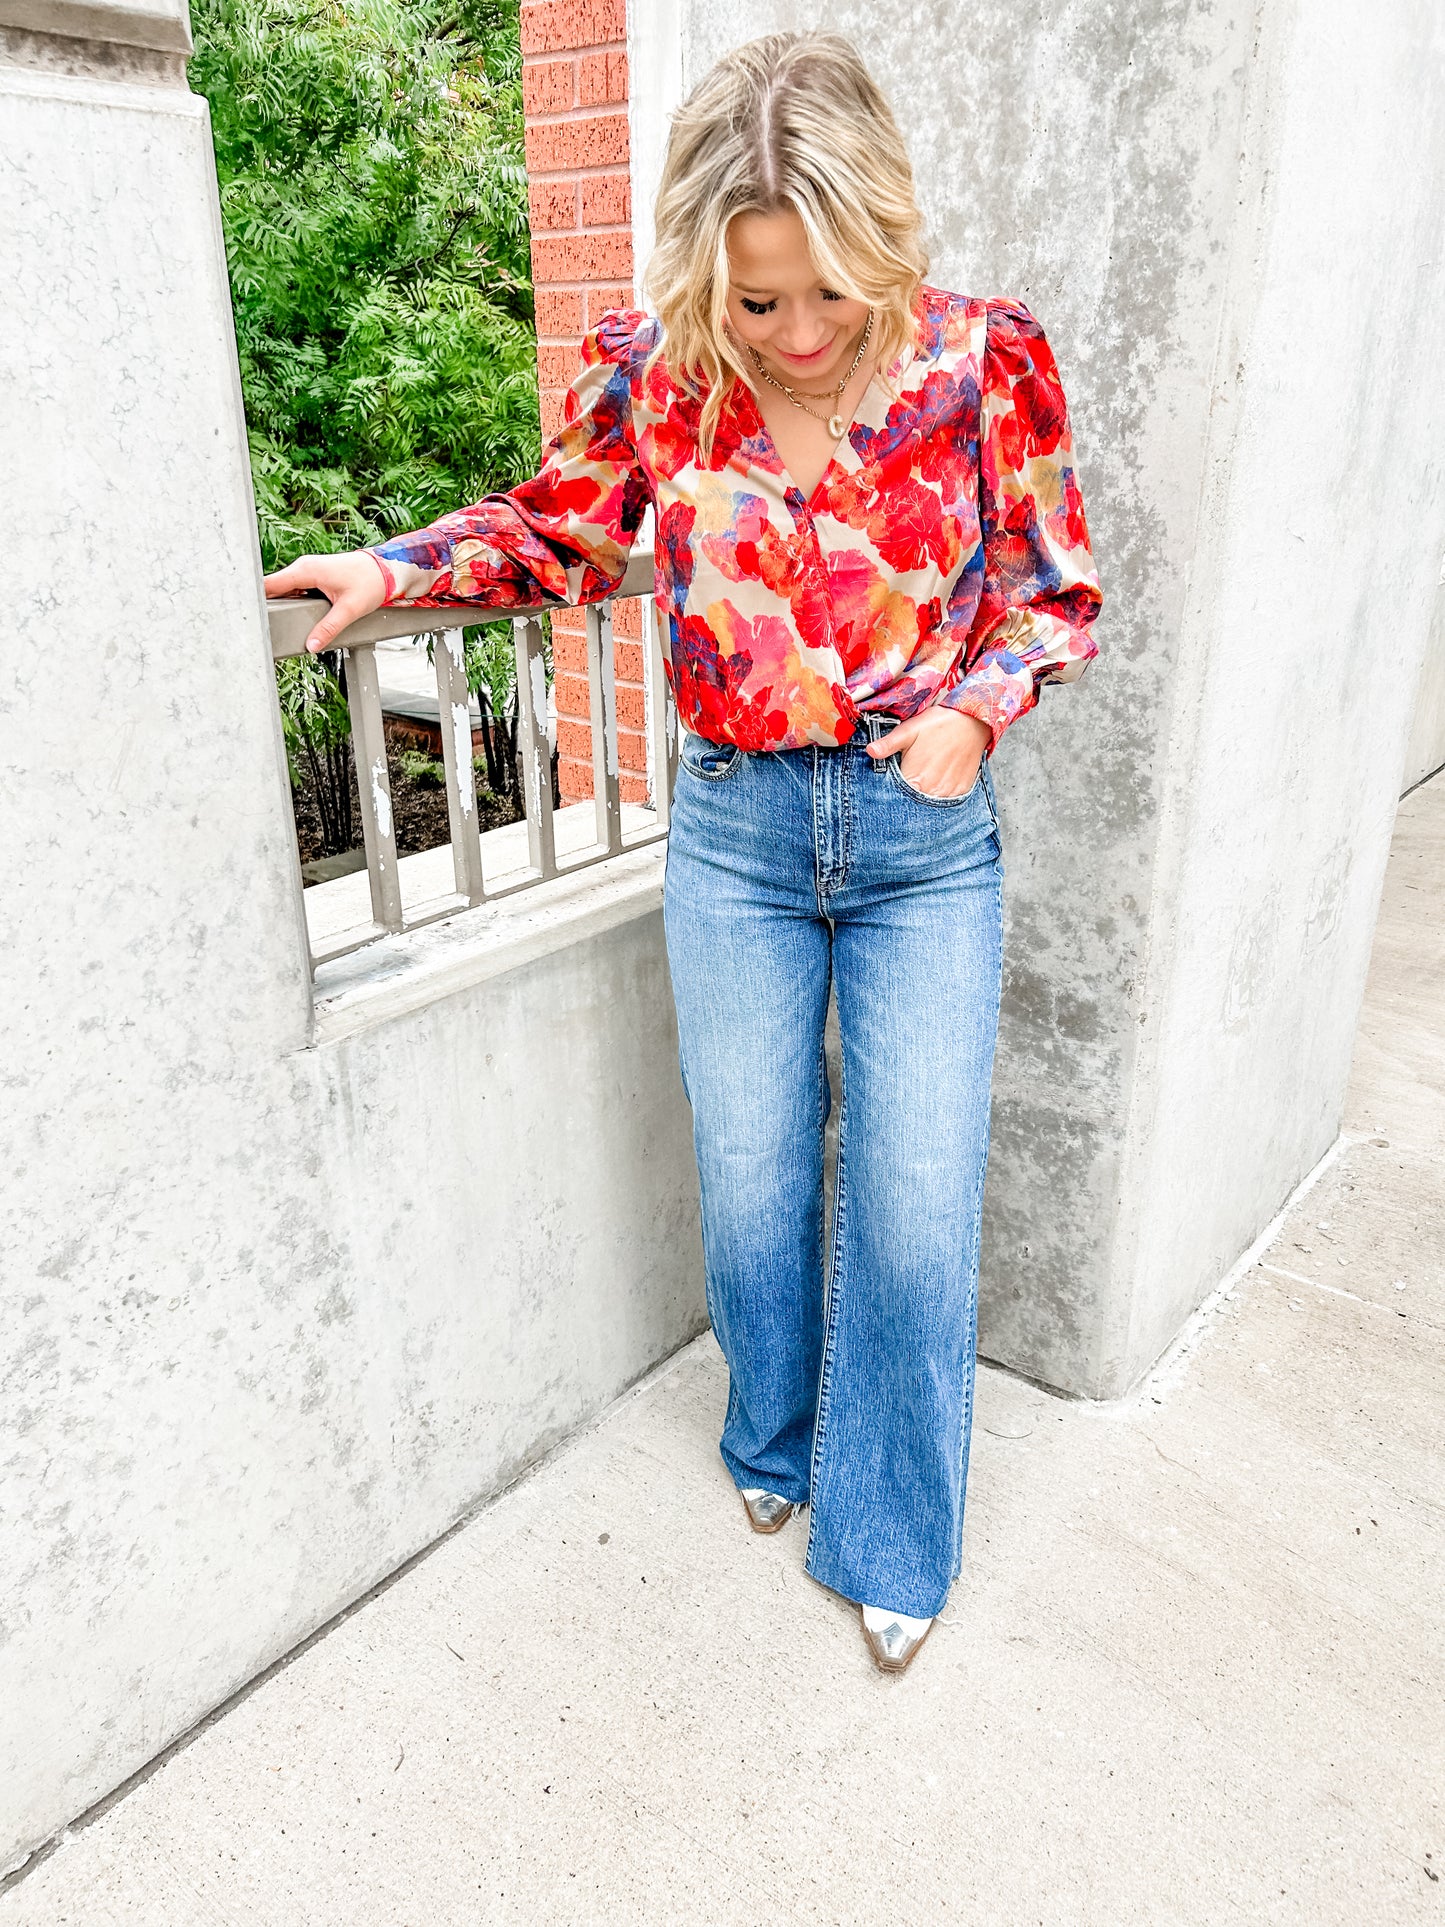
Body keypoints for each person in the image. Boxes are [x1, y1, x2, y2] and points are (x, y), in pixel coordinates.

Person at [265, 31, 1102, 1674]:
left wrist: (980, 707)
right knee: (755, 1178)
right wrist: (389, 562)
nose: (793, 334)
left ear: (882, 241)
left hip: (924, 837)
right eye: (755, 299)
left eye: (824, 293)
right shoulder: (660, 373)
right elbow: (558, 522)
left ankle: (889, 1533)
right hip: (729, 833)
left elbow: (1054, 590)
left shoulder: (982, 362)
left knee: (918, 1205)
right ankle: (773, 1442)